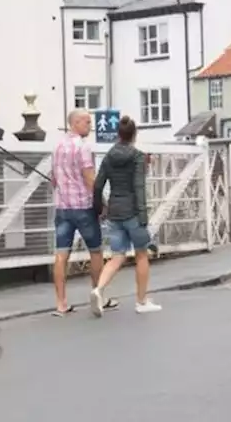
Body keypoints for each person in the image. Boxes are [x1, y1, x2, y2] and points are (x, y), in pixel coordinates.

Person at [89, 116, 163, 315]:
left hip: (114, 212)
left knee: (117, 256)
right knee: (141, 255)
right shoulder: (137, 157)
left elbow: (97, 185)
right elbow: (139, 187)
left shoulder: (109, 156)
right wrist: (143, 216)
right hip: (133, 212)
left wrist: (99, 208)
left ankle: (98, 289)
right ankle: (141, 301)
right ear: (134, 134)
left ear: (118, 135)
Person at [51, 109, 116, 316]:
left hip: (62, 207)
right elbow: (90, 179)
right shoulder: (83, 147)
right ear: (76, 123)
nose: (90, 125)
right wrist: (102, 203)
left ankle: (61, 303)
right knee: (95, 251)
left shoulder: (57, 146)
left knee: (61, 255)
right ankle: (98, 294)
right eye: (87, 122)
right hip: (83, 207)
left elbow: (53, 179)